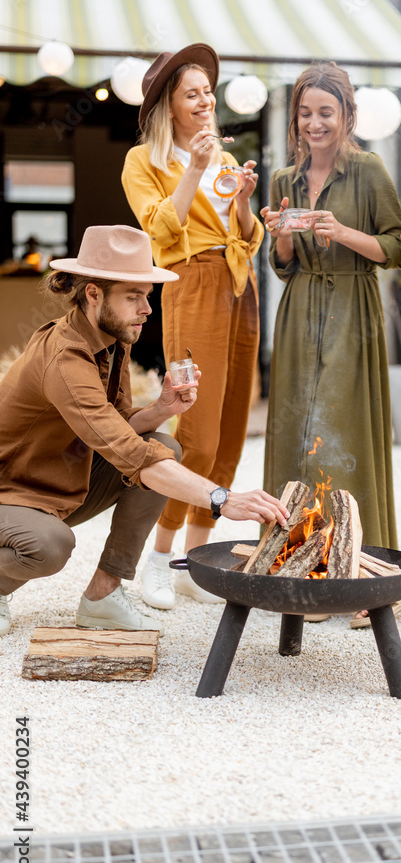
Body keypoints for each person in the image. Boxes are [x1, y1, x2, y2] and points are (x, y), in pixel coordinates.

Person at [0, 226, 288, 638]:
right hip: (10, 493)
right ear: (94, 294)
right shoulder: (65, 357)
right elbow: (128, 454)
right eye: (133, 297)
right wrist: (223, 499)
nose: (147, 309)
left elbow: (117, 429)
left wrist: (160, 409)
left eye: (147, 296)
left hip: (56, 483)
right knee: (50, 545)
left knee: (163, 444)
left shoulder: (112, 338)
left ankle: (103, 595)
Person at [260, 62, 401, 623]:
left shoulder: (369, 170)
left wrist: (342, 231)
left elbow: (397, 249)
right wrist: (280, 242)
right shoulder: (283, 180)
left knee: (347, 433)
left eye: (326, 112)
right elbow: (284, 269)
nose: (314, 123)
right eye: (305, 113)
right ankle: (304, 570)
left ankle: (361, 573)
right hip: (300, 311)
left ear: (347, 115)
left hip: (353, 308)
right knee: (300, 438)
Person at [122, 43, 263, 611]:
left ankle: (190, 564)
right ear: (170, 106)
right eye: (193, 94)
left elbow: (244, 232)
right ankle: (157, 559)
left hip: (239, 282)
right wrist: (197, 167)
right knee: (194, 429)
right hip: (192, 283)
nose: (206, 102)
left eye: (208, 92)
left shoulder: (225, 160)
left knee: (231, 426)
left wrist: (247, 203)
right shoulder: (143, 160)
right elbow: (159, 233)